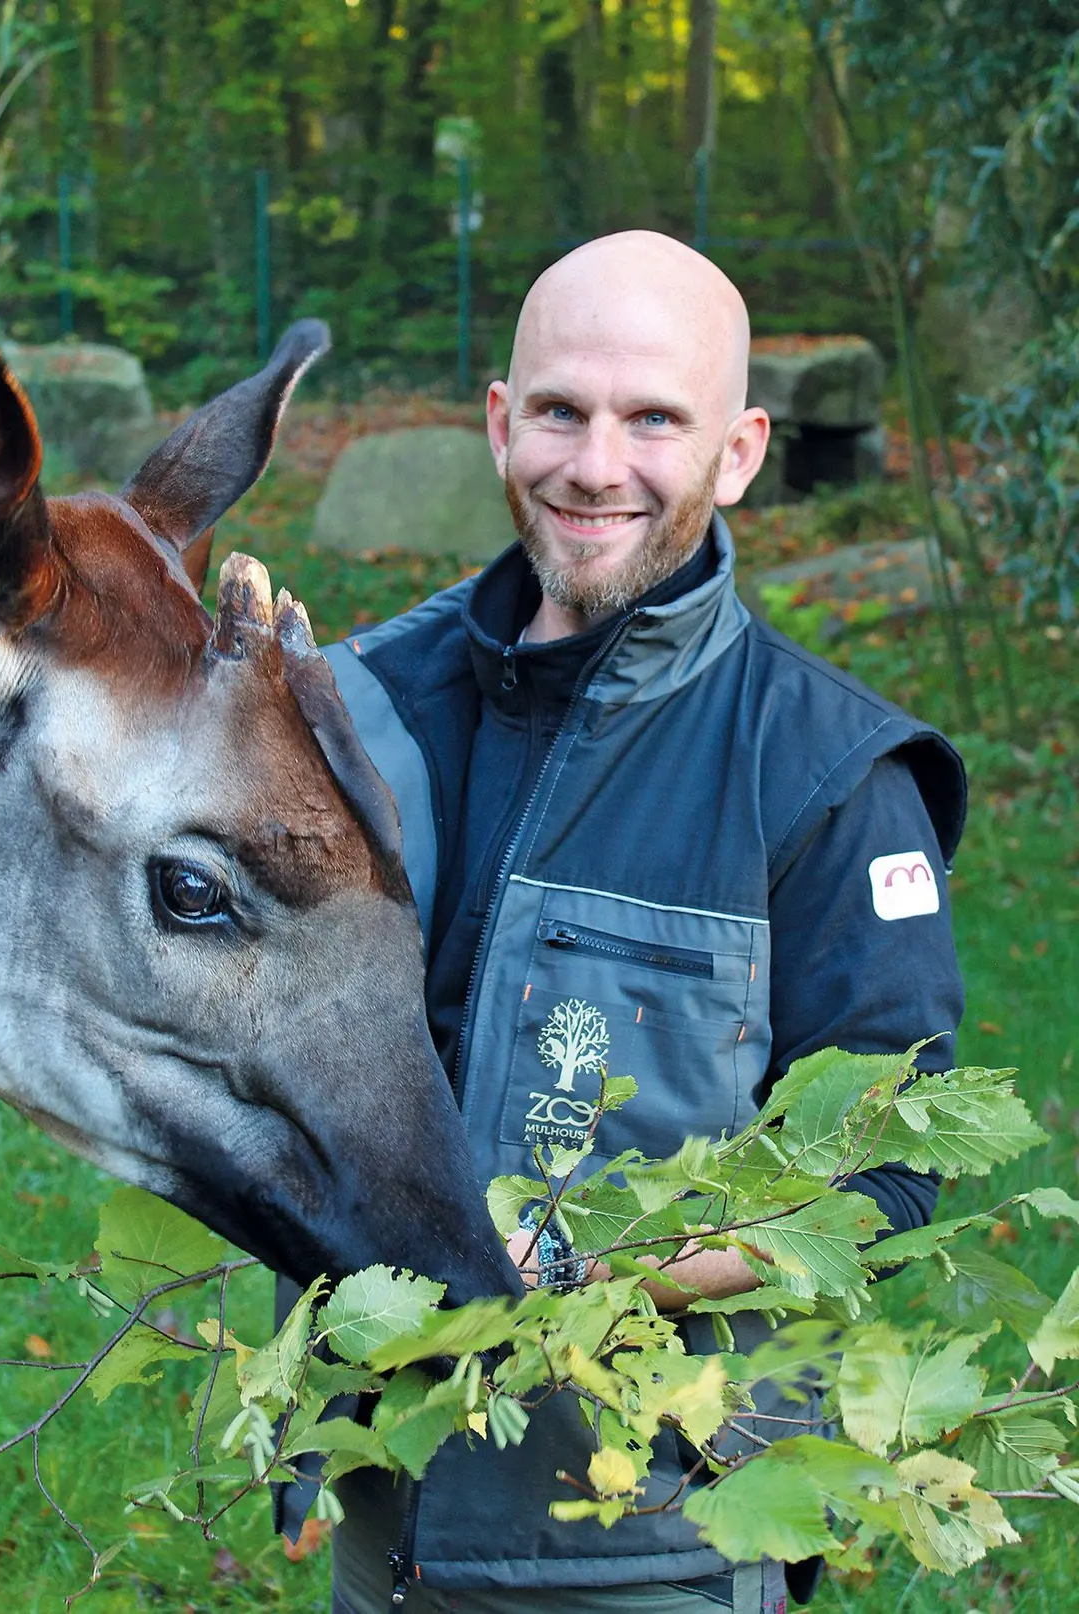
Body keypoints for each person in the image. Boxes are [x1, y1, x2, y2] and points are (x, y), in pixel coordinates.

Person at [285, 230, 966, 1613]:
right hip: (386, 1513)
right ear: (499, 419)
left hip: (653, 1541)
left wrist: (583, 1265)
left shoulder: (825, 773)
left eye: (655, 416)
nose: (597, 464)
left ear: (740, 450)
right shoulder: (362, 708)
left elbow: (884, 1178)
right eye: (561, 410)